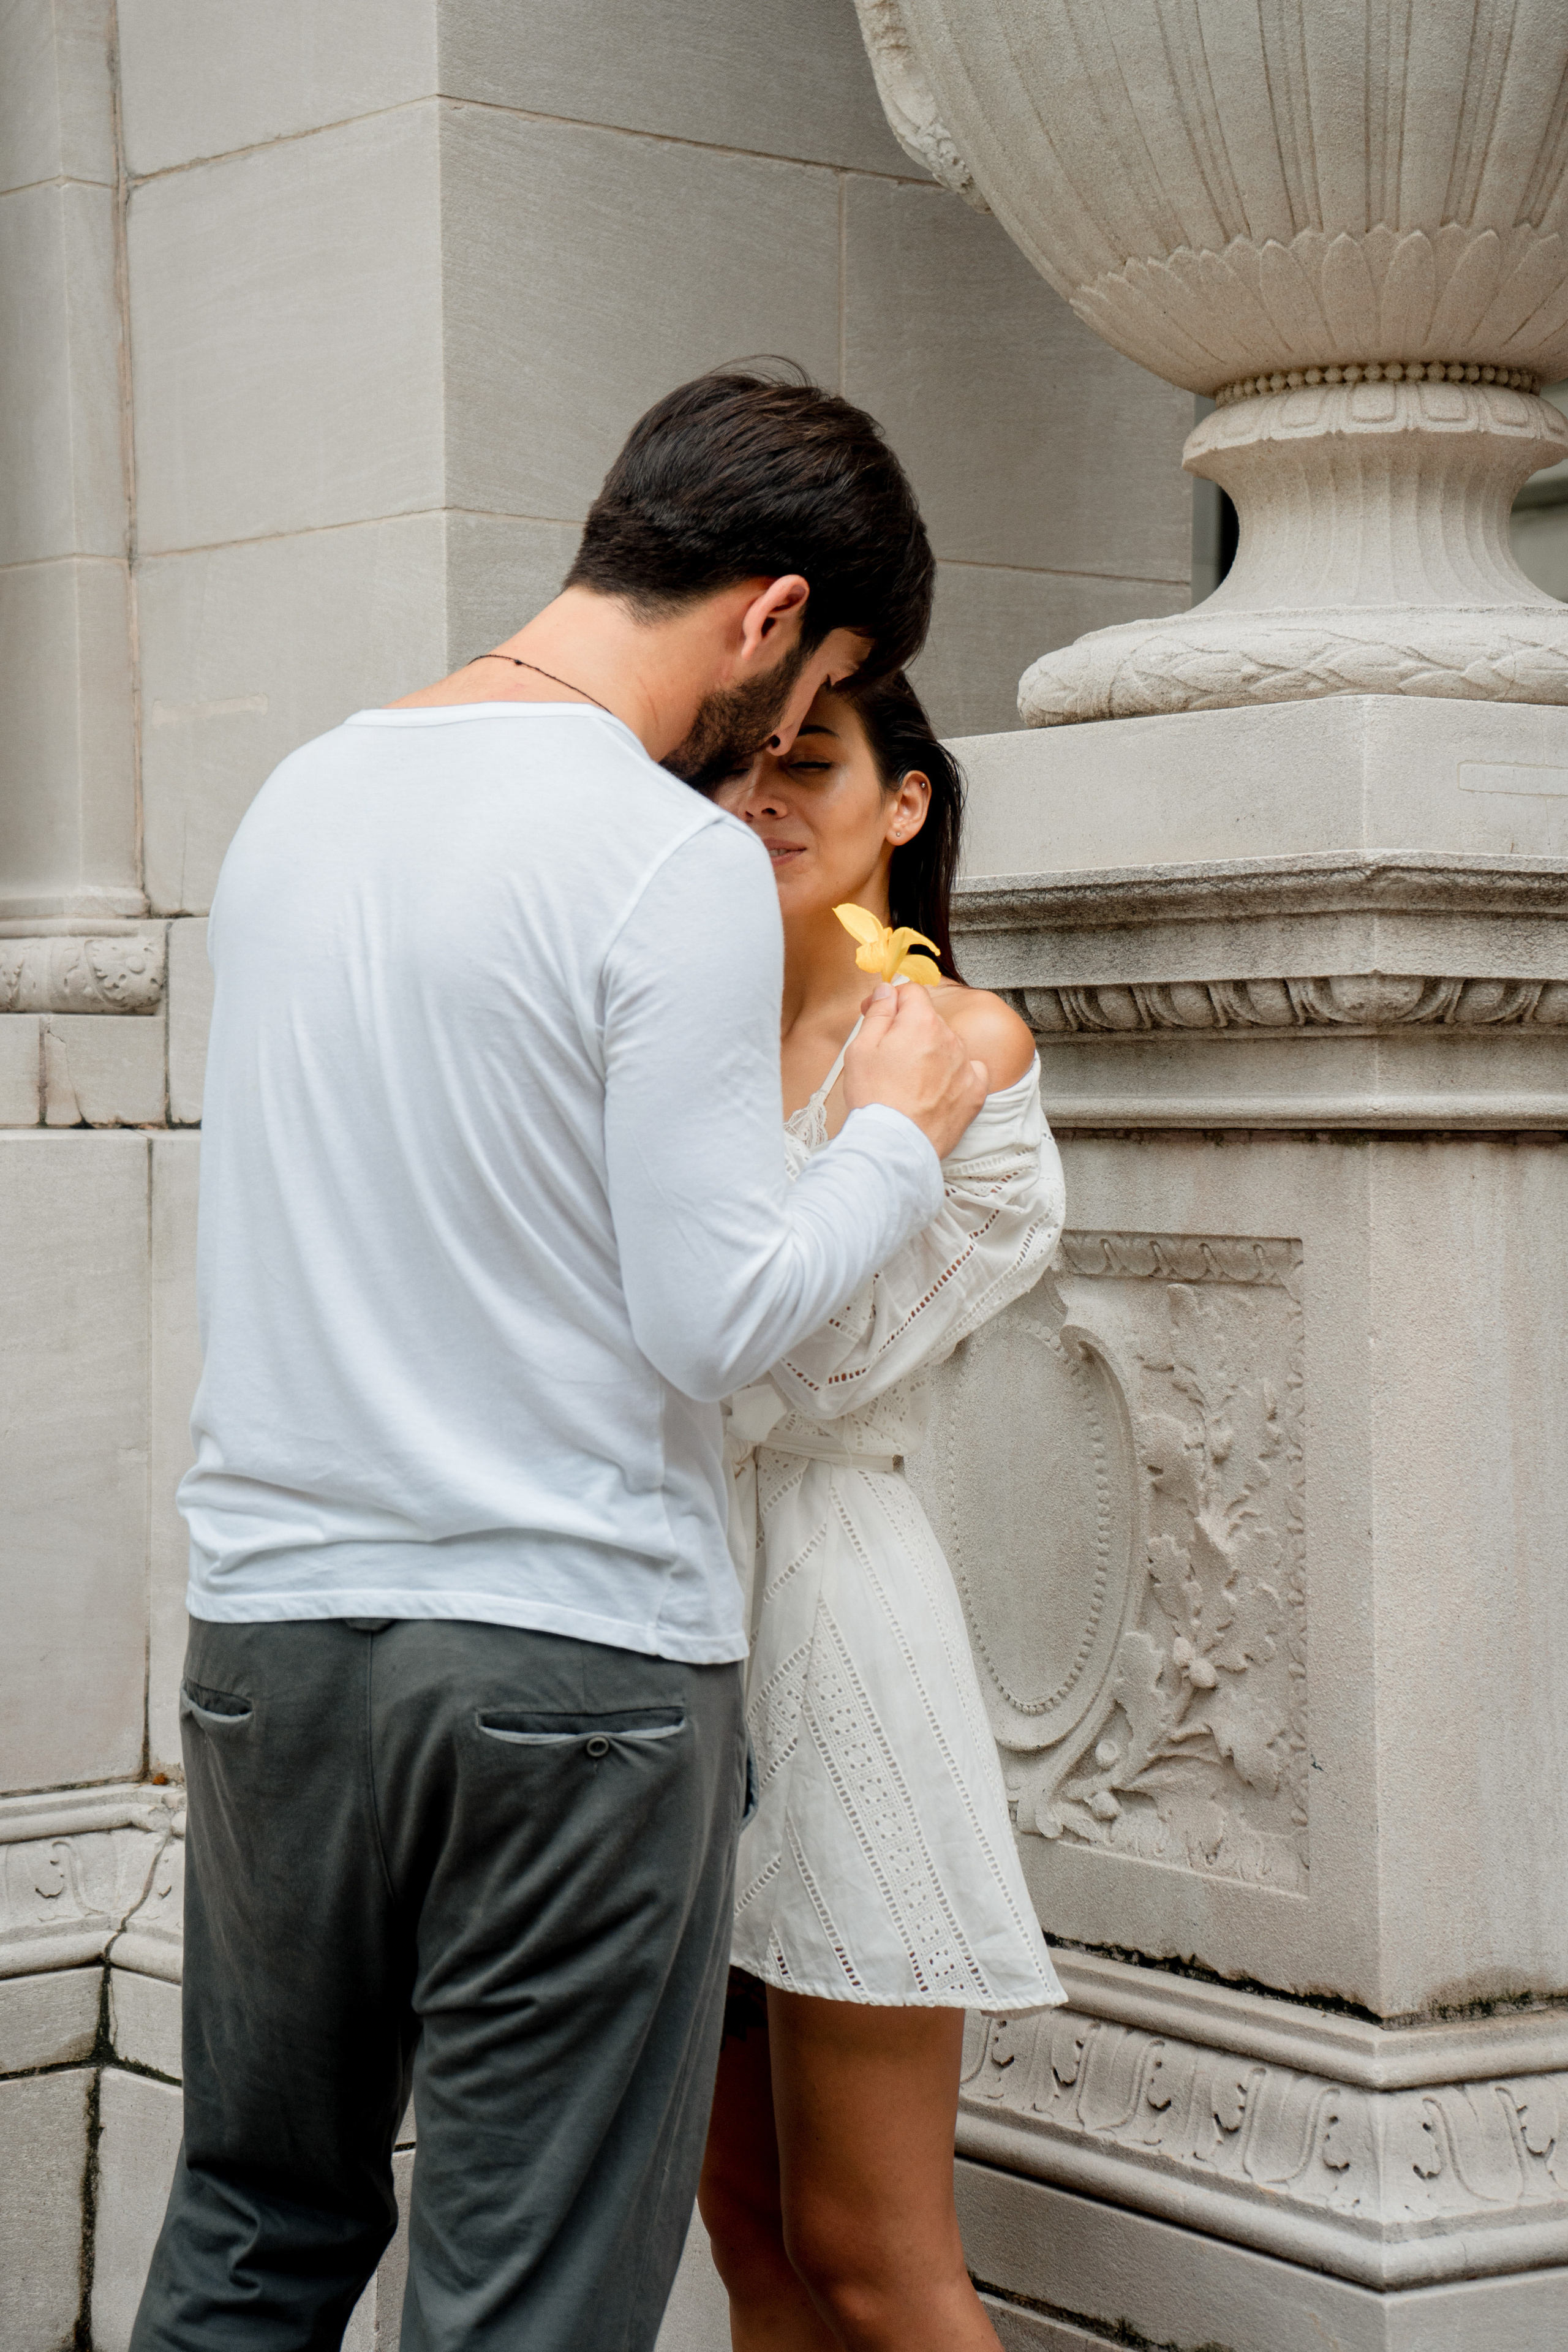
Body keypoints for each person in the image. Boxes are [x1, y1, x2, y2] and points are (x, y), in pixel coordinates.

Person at [129, 370, 989, 2352]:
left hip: (274, 1640)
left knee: (252, 2237)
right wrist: (897, 1134)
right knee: (523, 2301)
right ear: (770, 616)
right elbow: (719, 1316)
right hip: (569, 1658)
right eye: (812, 684)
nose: (780, 745)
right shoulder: (656, 851)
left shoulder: (300, 793)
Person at [698, 673, 1066, 2351]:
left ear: (904, 803)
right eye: (738, 766)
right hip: (667, 1621)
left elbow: (816, 1367)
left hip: (837, 1615)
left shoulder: (959, 1049)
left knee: (872, 2252)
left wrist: (668, 1352)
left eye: (815, 764)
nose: (766, 797)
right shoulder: (674, 1041)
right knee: (749, 2235)